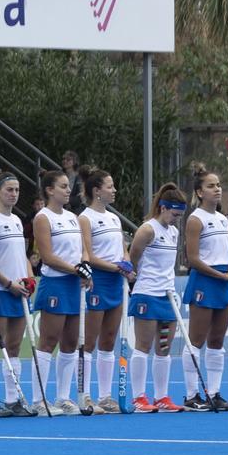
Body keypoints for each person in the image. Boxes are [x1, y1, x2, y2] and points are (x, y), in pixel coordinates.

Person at [180, 168, 228, 411]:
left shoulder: (223, 219)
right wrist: (219, 275)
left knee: (217, 340)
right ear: (199, 192)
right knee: (196, 339)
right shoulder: (196, 219)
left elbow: (227, 250)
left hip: (223, 280)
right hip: (205, 281)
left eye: (218, 184)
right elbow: (192, 258)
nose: (217, 189)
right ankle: (192, 395)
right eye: (211, 185)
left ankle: (214, 392)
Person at [127, 186, 188, 412]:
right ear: (163, 208)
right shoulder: (147, 230)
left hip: (167, 296)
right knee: (143, 346)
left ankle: (161, 397)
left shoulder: (173, 232)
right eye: (174, 215)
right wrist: (132, 278)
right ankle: (138, 397)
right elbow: (133, 258)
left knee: (164, 347)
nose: (177, 220)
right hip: (146, 294)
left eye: (180, 216)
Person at [31, 169, 87, 414]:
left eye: (68, 186)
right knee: (48, 341)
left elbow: (83, 249)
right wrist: (75, 270)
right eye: (63, 186)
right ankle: (38, 399)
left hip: (74, 284)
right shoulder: (43, 218)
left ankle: (63, 397)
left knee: (71, 342)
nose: (68, 190)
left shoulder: (73, 217)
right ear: (49, 190)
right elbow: (48, 256)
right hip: (55, 283)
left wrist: (84, 267)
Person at [0, 171, 37, 416]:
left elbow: (23, 256)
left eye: (17, 190)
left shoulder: (16, 220)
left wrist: (29, 278)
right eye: (9, 190)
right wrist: (7, 283)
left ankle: (13, 400)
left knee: (14, 346)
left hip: (19, 291)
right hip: (0, 290)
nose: (14, 194)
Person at [77, 167, 129, 414]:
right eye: (109, 186)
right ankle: (85, 395)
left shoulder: (114, 218)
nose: (114, 190)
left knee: (109, 341)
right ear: (97, 191)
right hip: (97, 281)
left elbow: (122, 249)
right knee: (89, 341)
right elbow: (89, 256)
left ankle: (106, 396)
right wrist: (117, 267)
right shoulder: (84, 218)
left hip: (116, 283)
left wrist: (127, 265)